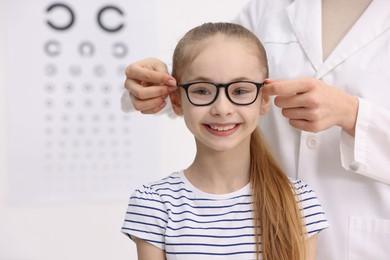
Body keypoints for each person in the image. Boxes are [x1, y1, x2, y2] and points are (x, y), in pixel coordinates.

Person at [122, 1, 390, 259]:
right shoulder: (156, 203)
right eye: (201, 91)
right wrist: (152, 82)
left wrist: (352, 114)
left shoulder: (302, 203)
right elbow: (211, 67)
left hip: (359, 228)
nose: (223, 107)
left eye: (240, 91)